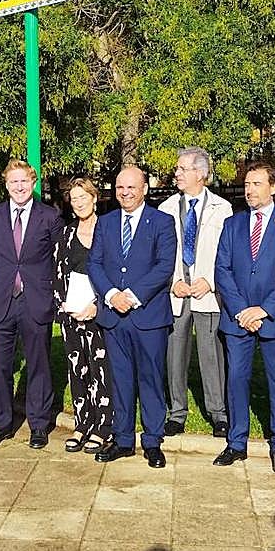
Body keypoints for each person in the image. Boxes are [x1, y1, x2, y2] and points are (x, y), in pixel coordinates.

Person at [87, 166, 177, 468]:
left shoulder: (162, 222)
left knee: (151, 379)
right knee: (121, 380)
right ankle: (123, 439)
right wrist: (112, 295)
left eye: (131, 187)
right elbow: (95, 263)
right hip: (114, 317)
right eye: (120, 187)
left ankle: (153, 441)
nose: (125, 193)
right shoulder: (106, 223)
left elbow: (165, 266)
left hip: (148, 316)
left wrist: (133, 297)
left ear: (144, 189)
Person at [212, 163, 275, 473]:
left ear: (273, 187)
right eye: (247, 184)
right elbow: (223, 270)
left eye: (257, 184)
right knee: (236, 379)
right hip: (238, 318)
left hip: (272, 317)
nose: (249, 190)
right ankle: (236, 442)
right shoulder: (233, 225)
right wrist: (240, 310)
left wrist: (266, 308)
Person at [0, 159, 64, 449]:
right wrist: (6, 279)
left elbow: (57, 257)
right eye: (13, 181)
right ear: (6, 184)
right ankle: (1, 425)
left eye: (24, 181)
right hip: (1, 300)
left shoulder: (50, 216)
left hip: (35, 300)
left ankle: (38, 425)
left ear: (33, 182)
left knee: (38, 364)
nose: (19, 186)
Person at [158, 146, 232, 438]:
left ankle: (218, 413)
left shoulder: (222, 208)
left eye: (182, 169)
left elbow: (226, 253)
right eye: (177, 169)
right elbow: (161, 253)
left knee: (211, 353)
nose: (176, 173)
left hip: (206, 292)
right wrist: (171, 281)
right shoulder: (165, 209)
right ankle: (177, 412)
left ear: (200, 174)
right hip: (177, 289)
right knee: (174, 353)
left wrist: (210, 281)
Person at [55, 177, 114, 454]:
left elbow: (116, 274)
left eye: (83, 197)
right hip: (72, 315)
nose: (79, 203)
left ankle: (104, 427)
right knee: (78, 371)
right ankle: (82, 423)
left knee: (101, 371)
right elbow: (57, 274)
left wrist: (97, 306)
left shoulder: (109, 230)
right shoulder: (65, 234)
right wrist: (64, 306)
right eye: (74, 199)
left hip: (99, 313)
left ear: (94, 197)